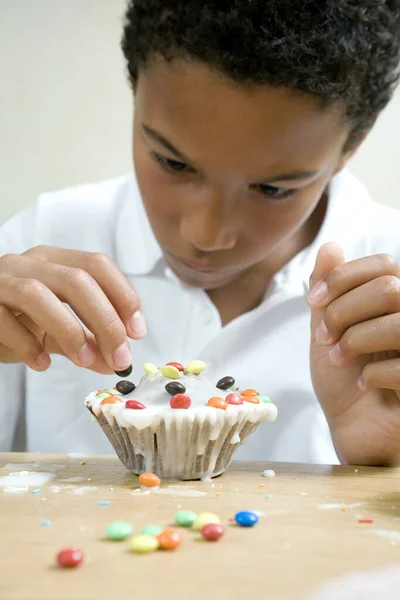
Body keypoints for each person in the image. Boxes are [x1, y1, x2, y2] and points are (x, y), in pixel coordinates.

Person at [1, 1, 400, 466]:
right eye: (173, 163)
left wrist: (386, 465)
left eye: (273, 188)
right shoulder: (39, 242)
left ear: (352, 145)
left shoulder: (390, 284)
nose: (207, 235)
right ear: (135, 87)